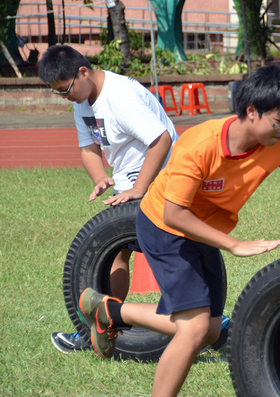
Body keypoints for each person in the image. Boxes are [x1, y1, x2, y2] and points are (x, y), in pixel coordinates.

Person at [79, 65, 280, 396]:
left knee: (210, 331)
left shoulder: (279, 144)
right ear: (251, 111)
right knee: (194, 329)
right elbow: (174, 213)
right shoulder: (200, 144)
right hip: (163, 227)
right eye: (279, 120)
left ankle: (110, 311)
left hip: (203, 229)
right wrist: (233, 244)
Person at [38, 44, 181, 354]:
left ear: (83, 72)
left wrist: (141, 187)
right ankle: (104, 327)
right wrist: (100, 176)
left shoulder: (120, 97)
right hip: (130, 179)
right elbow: (88, 147)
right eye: (58, 94)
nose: (66, 98)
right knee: (116, 252)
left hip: (165, 175)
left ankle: (204, 322)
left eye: (66, 90)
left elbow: (161, 139)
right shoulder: (83, 99)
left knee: (168, 251)